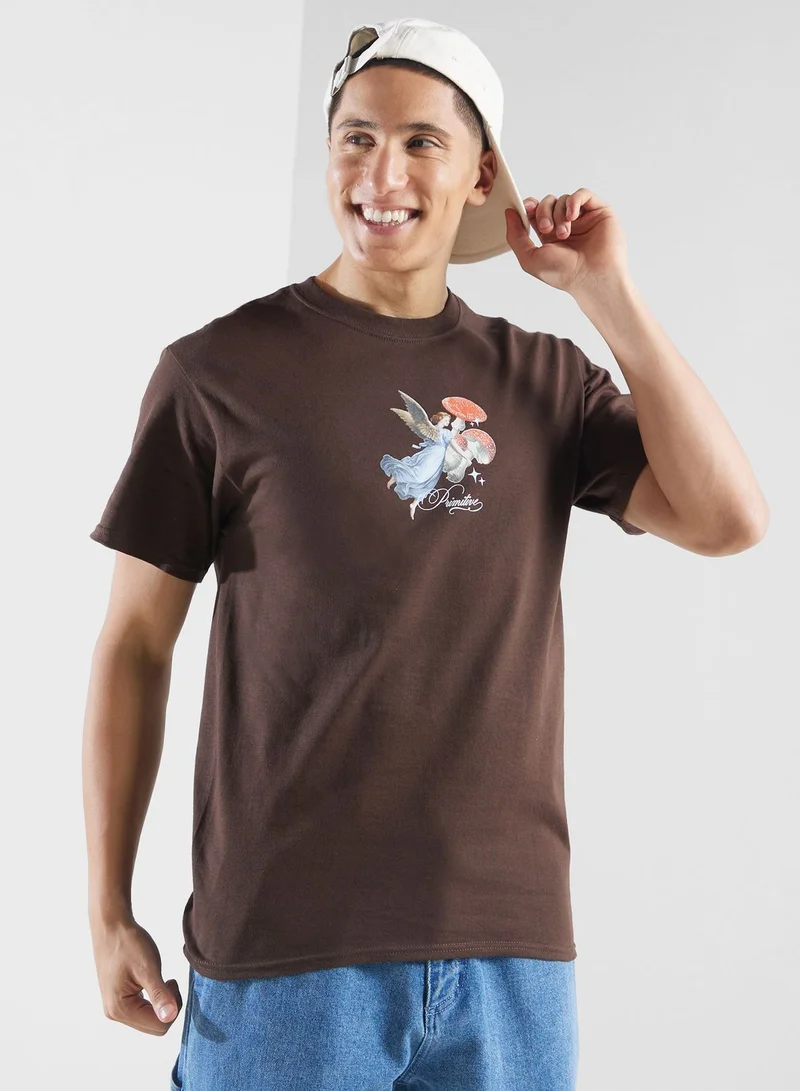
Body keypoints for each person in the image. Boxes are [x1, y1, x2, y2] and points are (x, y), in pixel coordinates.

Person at [82, 17, 769, 1091]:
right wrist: (106, 906)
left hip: (510, 951)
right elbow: (133, 644)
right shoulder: (216, 375)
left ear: (479, 174)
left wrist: (607, 297)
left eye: (420, 143)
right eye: (355, 138)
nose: (381, 175)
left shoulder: (543, 381)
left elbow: (729, 517)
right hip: (287, 947)